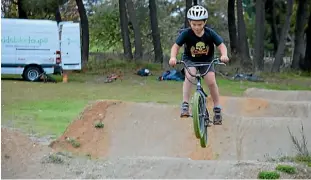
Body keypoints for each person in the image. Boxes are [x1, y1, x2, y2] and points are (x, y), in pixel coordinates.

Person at [169, 5, 229, 125]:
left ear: (205, 22)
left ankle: (217, 109)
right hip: (190, 60)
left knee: (211, 81)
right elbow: (176, 46)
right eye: (194, 24)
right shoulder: (186, 33)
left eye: (200, 24)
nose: (196, 27)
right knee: (189, 77)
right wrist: (173, 57)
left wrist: (224, 55)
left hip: (207, 61)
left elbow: (221, 45)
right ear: (190, 22)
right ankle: (185, 104)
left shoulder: (210, 33)